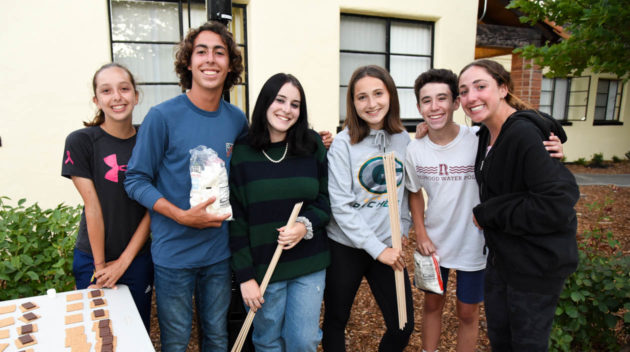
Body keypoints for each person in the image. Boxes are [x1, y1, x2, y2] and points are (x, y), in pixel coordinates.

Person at [406, 68, 565, 352]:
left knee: (468, 313)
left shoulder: (478, 137)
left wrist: (554, 145)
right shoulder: (415, 148)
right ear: (418, 107)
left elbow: (522, 145)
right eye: (426, 101)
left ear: (456, 103)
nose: (434, 107)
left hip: (475, 243)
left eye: (442, 98)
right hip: (434, 243)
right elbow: (414, 191)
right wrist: (420, 232)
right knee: (432, 305)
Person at [124, 21, 248, 351]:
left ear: (230, 64)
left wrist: (312, 140)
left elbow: (257, 165)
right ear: (188, 62)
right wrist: (179, 215)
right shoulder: (162, 117)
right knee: (176, 341)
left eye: (219, 52)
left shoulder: (237, 120)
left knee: (217, 336)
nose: (210, 59)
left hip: (219, 253)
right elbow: (135, 179)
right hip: (173, 255)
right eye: (201, 51)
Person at [458, 59, 579, 351]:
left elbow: (556, 204)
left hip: (534, 265)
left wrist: (488, 213)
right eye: (463, 91)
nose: (470, 97)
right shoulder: (486, 133)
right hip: (503, 260)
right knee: (502, 342)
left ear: (503, 88)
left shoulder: (523, 133)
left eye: (480, 86)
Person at [229, 73, 331, 351]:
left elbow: (325, 200)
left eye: (295, 104)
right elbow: (236, 220)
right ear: (265, 102)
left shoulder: (312, 145)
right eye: (280, 100)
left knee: (304, 340)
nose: (287, 109)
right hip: (264, 266)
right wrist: (245, 277)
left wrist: (303, 225)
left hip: (308, 262)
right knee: (268, 340)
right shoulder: (242, 152)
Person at [322, 65, 414, 352]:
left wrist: (404, 226)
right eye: (362, 97)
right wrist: (377, 249)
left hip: (388, 244)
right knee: (337, 319)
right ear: (352, 102)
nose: (371, 104)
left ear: (391, 95)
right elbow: (341, 205)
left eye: (378, 94)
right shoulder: (342, 144)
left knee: (402, 324)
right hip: (346, 246)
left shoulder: (403, 139)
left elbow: (408, 190)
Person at [61, 63, 153, 331]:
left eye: (124, 89)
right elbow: (93, 207)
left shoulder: (149, 139)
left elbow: (152, 208)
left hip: (136, 258)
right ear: (96, 100)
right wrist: (101, 269)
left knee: (136, 333)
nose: (116, 97)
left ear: (136, 96)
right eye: (106, 90)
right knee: (99, 334)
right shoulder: (80, 141)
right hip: (92, 257)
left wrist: (124, 262)